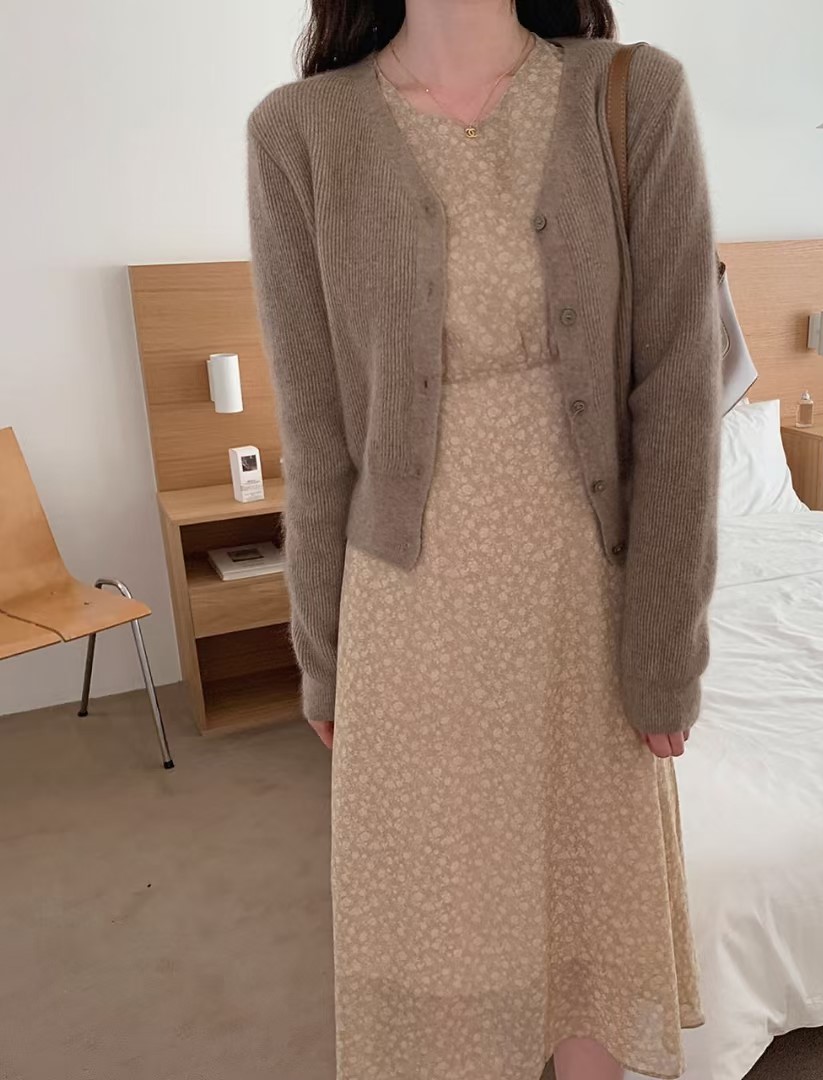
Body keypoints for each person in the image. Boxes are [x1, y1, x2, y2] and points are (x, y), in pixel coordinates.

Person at [247, 1, 722, 1077]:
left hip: (582, 604)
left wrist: (666, 652)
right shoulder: (297, 134)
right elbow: (315, 438)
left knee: (592, 935)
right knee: (445, 943)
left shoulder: (631, 96)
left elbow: (680, 397)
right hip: (409, 620)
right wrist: (325, 658)